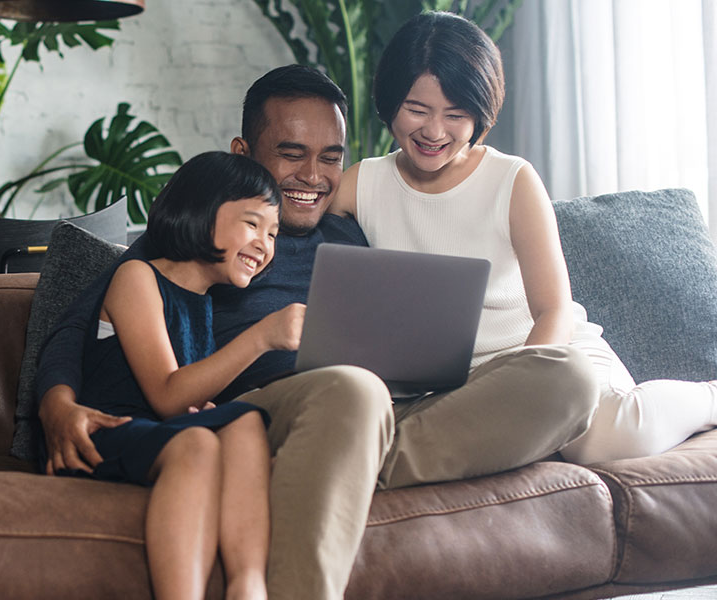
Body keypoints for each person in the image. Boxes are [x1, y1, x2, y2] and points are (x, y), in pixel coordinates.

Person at [36, 64, 594, 599]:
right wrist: (56, 404)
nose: (313, 176)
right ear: (244, 154)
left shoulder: (351, 233)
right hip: (272, 413)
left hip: (383, 409)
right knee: (352, 389)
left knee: (569, 379)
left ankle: (348, 460)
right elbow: (79, 318)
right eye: (292, 154)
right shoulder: (212, 232)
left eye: (331, 158)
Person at [330, 11, 717, 466]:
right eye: (417, 110)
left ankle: (710, 396)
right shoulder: (361, 185)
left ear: (481, 114)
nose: (434, 132)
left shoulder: (511, 179)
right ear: (390, 101)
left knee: (601, 439)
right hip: (450, 385)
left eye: (455, 115)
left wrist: (524, 389)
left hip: (549, 356)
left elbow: (553, 310)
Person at [76, 151, 296, 600]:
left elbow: (185, 397)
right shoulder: (137, 277)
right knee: (198, 440)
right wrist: (263, 336)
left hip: (157, 435)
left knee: (245, 420)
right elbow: (166, 395)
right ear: (201, 211)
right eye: (253, 224)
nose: (264, 244)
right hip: (105, 433)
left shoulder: (204, 302)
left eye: (273, 234)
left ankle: (248, 586)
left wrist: (203, 410)